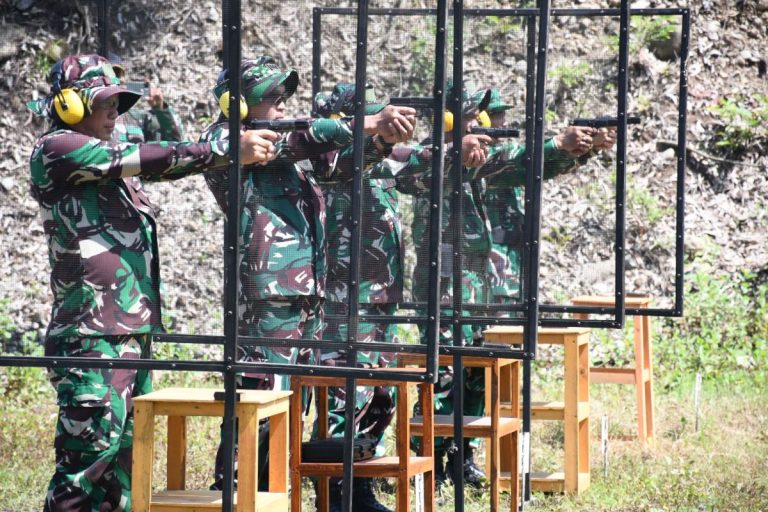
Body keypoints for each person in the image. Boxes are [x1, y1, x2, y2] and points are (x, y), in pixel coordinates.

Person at [26, 53, 278, 512]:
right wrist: (225, 151)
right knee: (84, 473)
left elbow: (160, 153)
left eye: (119, 104)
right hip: (91, 339)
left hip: (127, 336)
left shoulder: (110, 167)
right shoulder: (58, 150)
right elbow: (154, 157)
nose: (114, 113)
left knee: (123, 474)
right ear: (69, 106)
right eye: (104, 102)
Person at [200, 56, 415, 493]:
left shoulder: (281, 146)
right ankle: (239, 493)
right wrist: (370, 123)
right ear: (236, 105)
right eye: (272, 99)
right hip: (267, 296)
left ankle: (277, 492)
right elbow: (303, 137)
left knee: (289, 406)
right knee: (258, 400)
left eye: (283, 99)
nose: (281, 107)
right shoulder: (227, 139)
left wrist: (378, 142)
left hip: (302, 292)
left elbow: (335, 167)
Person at [312, 83, 406, 512]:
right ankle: (334, 492)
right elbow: (354, 157)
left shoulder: (376, 160)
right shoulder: (332, 159)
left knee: (381, 394)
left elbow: (413, 161)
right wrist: (380, 138)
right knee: (344, 397)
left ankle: (359, 485)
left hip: (380, 297)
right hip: (346, 297)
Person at [108, 54, 187, 143]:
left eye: (117, 75)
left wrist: (160, 109)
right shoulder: (91, 120)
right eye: (109, 75)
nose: (116, 80)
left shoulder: (136, 118)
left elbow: (178, 142)